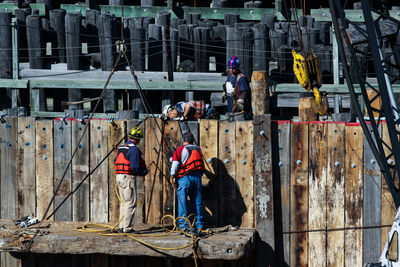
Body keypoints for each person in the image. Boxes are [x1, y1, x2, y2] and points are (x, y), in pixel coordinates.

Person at [114, 126, 148, 233]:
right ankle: (127, 228)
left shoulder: (121, 148)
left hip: (119, 176)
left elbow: (115, 160)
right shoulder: (134, 150)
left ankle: (121, 226)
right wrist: (142, 173)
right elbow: (134, 167)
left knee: (124, 203)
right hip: (128, 178)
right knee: (130, 203)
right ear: (138, 139)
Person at [170, 132, 205, 234]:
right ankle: (199, 225)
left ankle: (183, 225)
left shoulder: (180, 149)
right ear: (192, 140)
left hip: (185, 178)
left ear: (183, 140)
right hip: (197, 177)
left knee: (182, 201)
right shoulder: (198, 149)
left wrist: (173, 175)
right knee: (197, 202)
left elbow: (175, 165)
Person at [223, 56, 252, 120]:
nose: (231, 70)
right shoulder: (230, 75)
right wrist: (225, 92)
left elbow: (244, 91)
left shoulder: (241, 78)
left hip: (238, 110)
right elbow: (228, 84)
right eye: (230, 68)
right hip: (230, 106)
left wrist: (241, 100)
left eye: (233, 68)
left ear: (237, 67)